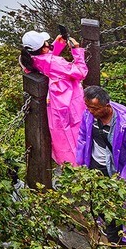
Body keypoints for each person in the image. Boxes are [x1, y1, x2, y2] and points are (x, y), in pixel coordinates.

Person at [21, 30, 88, 165]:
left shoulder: (28, 59)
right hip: (68, 99)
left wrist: (57, 45)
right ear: (43, 48)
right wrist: (77, 50)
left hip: (54, 101)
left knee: (61, 134)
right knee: (76, 130)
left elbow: (47, 61)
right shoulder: (55, 62)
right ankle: (78, 164)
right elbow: (81, 72)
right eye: (46, 43)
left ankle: (65, 163)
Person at [77, 85, 126, 192]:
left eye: (95, 108)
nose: (90, 111)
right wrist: (81, 162)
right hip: (95, 166)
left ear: (107, 106)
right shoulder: (88, 115)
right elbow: (83, 137)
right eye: (88, 107)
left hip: (119, 171)